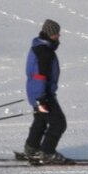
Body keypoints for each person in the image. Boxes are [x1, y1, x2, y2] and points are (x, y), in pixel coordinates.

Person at [22, 18, 67, 164]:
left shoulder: (39, 46)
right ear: (49, 34)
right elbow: (39, 76)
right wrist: (41, 99)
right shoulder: (44, 51)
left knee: (41, 120)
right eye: (56, 33)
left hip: (36, 92)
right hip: (42, 93)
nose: (58, 36)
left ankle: (32, 148)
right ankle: (47, 152)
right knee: (59, 123)